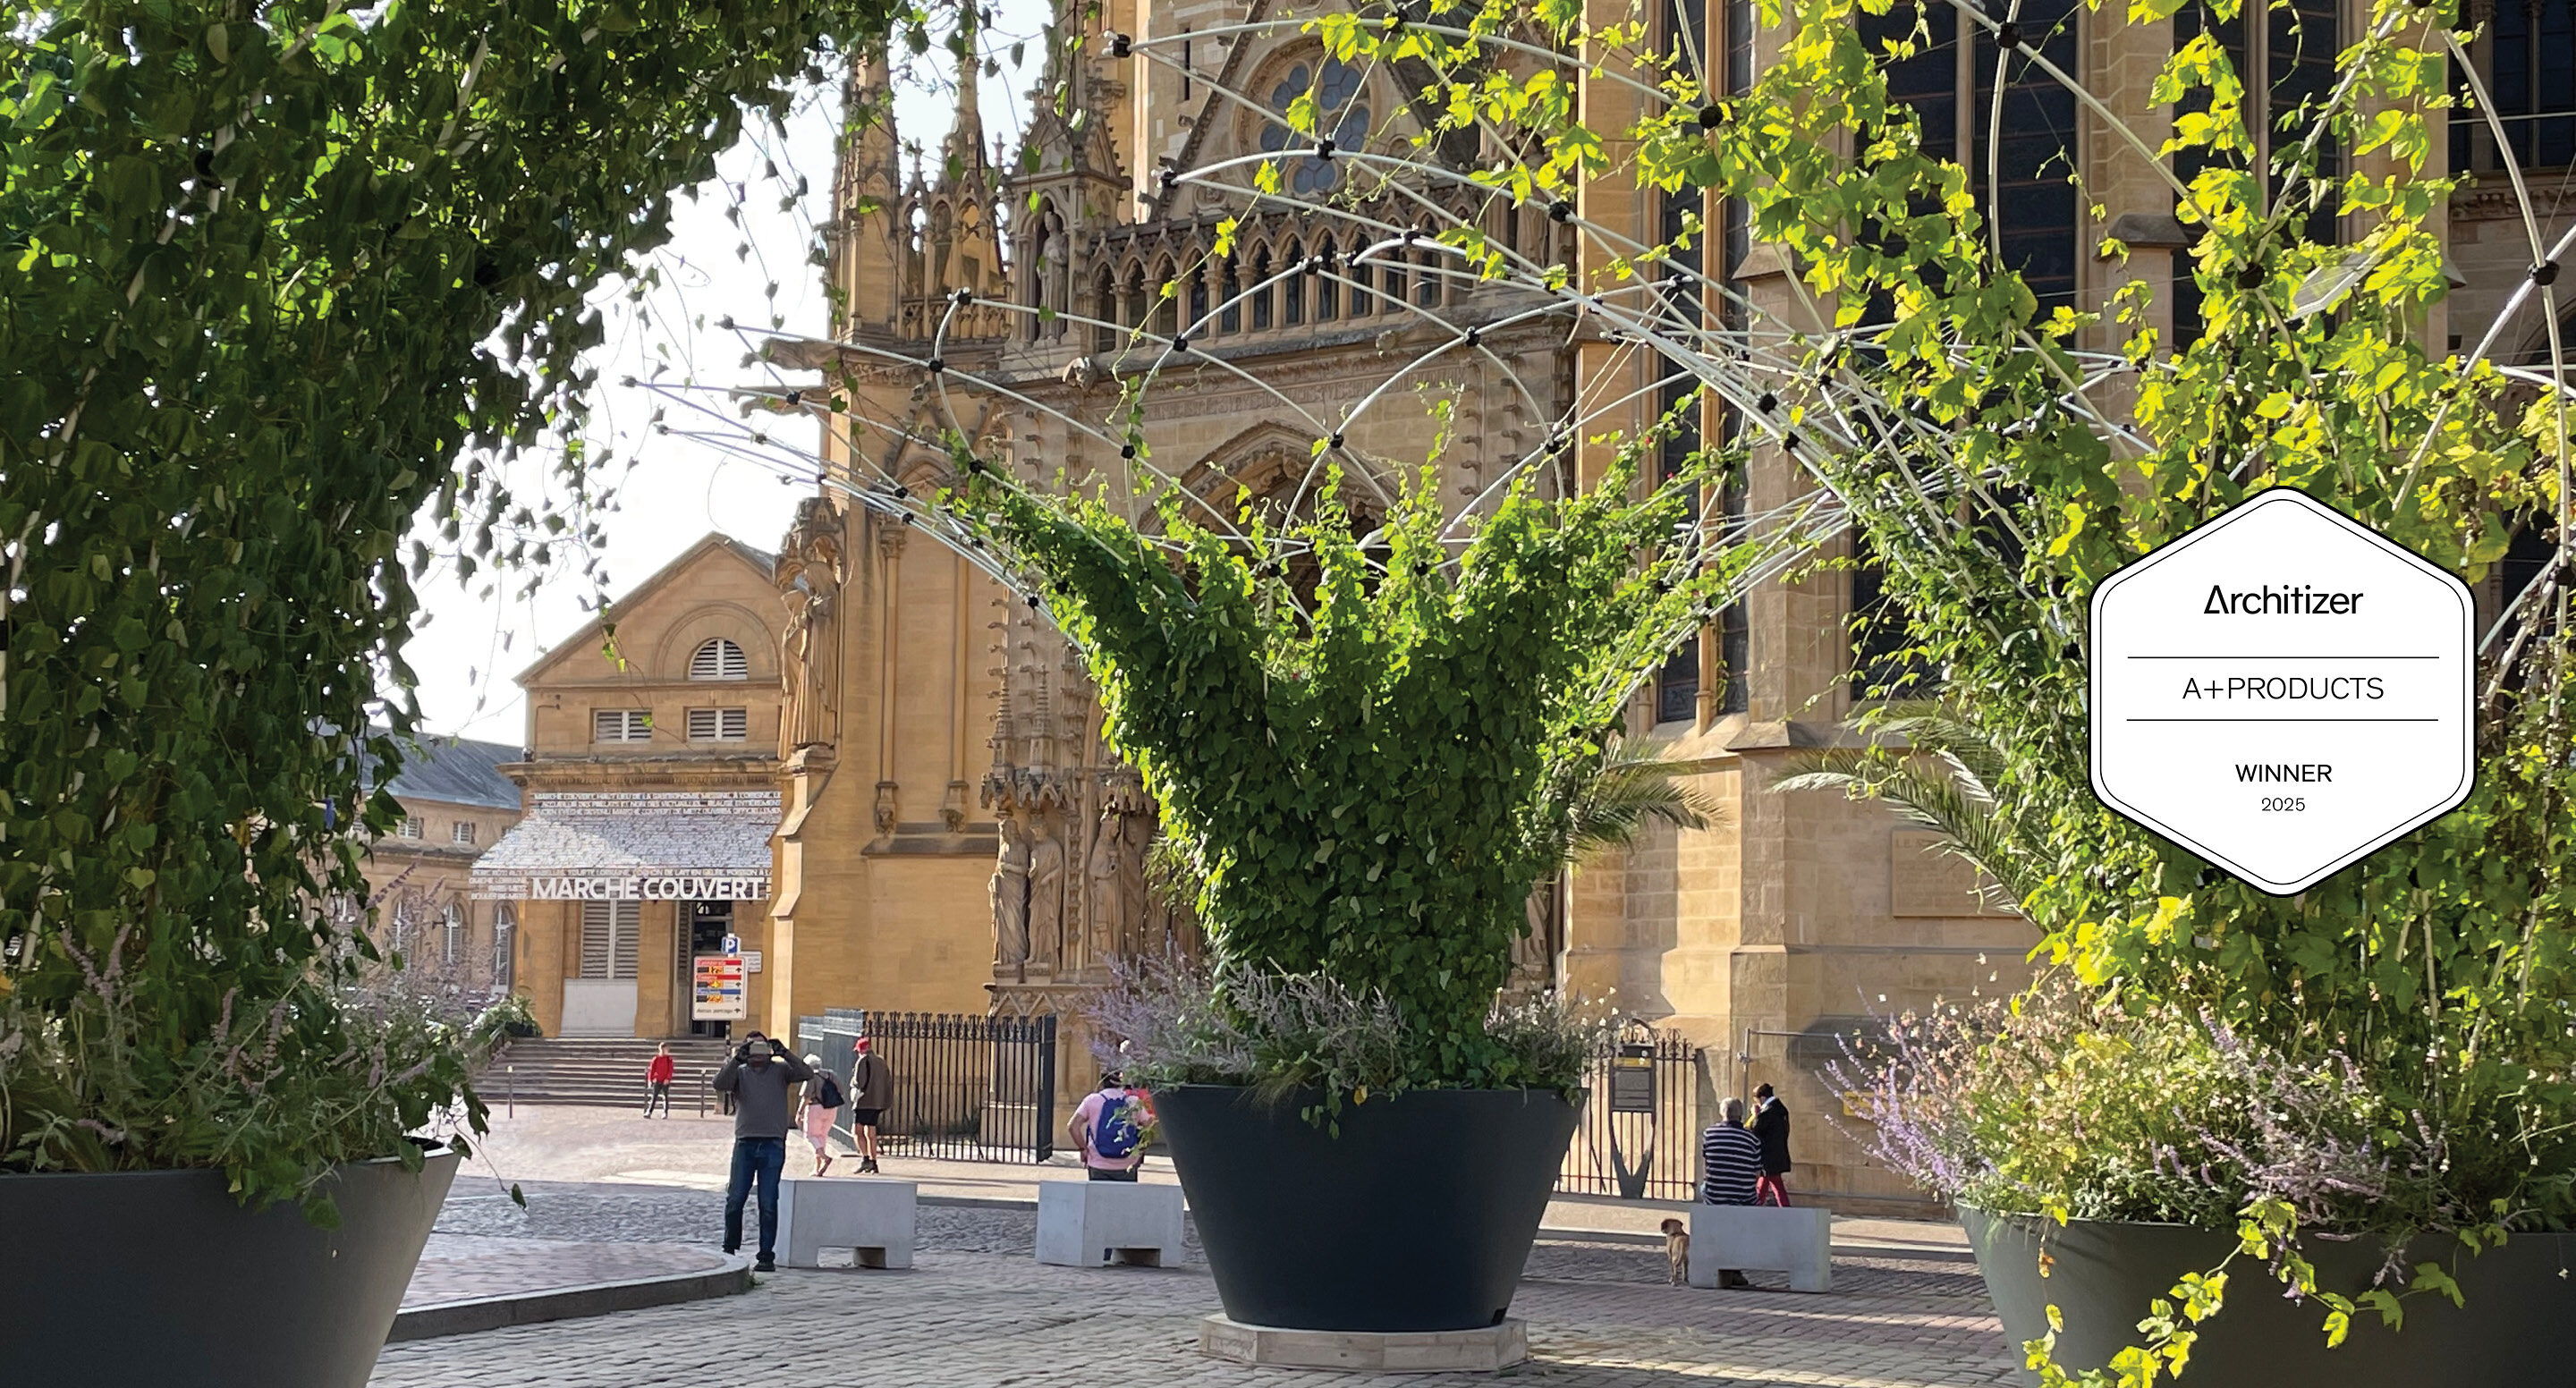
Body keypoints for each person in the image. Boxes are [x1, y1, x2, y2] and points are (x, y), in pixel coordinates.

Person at [712, 1030, 814, 1272]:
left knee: (768, 1201)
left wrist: (784, 1053)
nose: (757, 1053)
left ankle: (766, 1255)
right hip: (745, 1143)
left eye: (760, 1047)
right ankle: (730, 1247)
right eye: (751, 1048)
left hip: (772, 1143)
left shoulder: (780, 1071)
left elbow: (807, 1074)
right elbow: (719, 1084)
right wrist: (738, 1058)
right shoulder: (739, 1072)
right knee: (735, 1198)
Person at [1699, 1096, 1762, 1289]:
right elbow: (1757, 1172)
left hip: (1715, 1196)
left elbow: (1706, 1164)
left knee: (1704, 1189)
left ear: (1722, 1113)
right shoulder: (1752, 1139)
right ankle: (1735, 1267)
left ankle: (1719, 1261)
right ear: (1741, 1115)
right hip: (1743, 1198)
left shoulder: (1709, 1134)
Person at [1067, 1070, 1148, 1181]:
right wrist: (1140, 1150)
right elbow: (1149, 1126)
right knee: (1126, 1197)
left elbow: (1073, 1126)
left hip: (1098, 1162)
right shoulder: (1133, 1102)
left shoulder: (1091, 1100)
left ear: (1102, 1081)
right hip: (1127, 1163)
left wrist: (1083, 1149)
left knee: (1098, 1197)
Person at [847, 1036, 890, 1174]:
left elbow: (859, 1082)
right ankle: (874, 1162)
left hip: (864, 1101)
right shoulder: (881, 1061)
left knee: (856, 1132)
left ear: (862, 1050)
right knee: (871, 1132)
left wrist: (852, 1083)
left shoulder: (863, 1060)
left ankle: (865, 1159)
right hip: (878, 1102)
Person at [794, 1054, 843, 1176]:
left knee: (810, 1136)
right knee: (821, 1136)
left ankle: (824, 1157)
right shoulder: (831, 1075)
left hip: (815, 1108)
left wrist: (799, 1113)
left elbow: (806, 1097)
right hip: (831, 1109)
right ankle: (817, 1168)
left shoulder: (811, 1077)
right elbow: (841, 1090)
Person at [1750, 1081, 1793, 1206]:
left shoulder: (1767, 1112)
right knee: (1776, 1185)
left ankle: (1755, 1208)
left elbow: (1756, 1130)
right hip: (1778, 1154)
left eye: (1757, 1099)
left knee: (1764, 1188)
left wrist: (1755, 1115)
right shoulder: (1781, 1109)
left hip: (1767, 1156)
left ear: (1762, 1098)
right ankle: (1785, 1209)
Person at [643, 1042, 675, 1118]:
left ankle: (665, 1112)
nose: (666, 1050)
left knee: (665, 1097)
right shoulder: (656, 1059)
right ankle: (649, 1112)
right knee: (654, 1097)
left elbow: (670, 1070)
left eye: (666, 1049)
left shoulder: (669, 1059)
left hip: (665, 1081)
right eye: (664, 1049)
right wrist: (650, 1079)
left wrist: (668, 1078)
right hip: (657, 1080)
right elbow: (652, 1070)